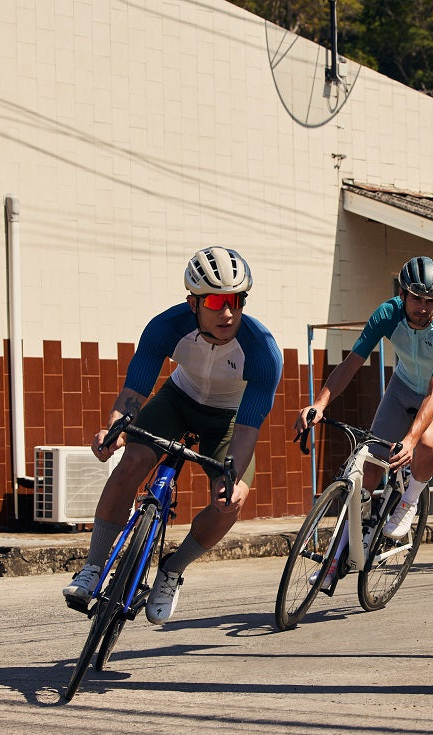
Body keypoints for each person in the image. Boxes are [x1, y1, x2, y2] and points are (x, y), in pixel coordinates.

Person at [63, 246, 283, 624]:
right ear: (193, 302)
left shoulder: (263, 351)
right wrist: (115, 428)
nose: (227, 312)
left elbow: (248, 429)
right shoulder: (166, 326)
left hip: (229, 419)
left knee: (230, 500)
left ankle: (172, 569)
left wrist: (233, 477)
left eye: (236, 300)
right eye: (215, 300)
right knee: (131, 460)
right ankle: (93, 566)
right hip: (177, 400)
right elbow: (134, 393)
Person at [295, 256, 433, 544]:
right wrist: (320, 403)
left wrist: (410, 439)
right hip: (403, 386)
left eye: (431, 300)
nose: (424, 307)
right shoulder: (387, 314)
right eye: (417, 299)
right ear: (402, 294)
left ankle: (409, 501)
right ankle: (343, 550)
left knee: (425, 443)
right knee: (373, 461)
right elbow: (350, 363)